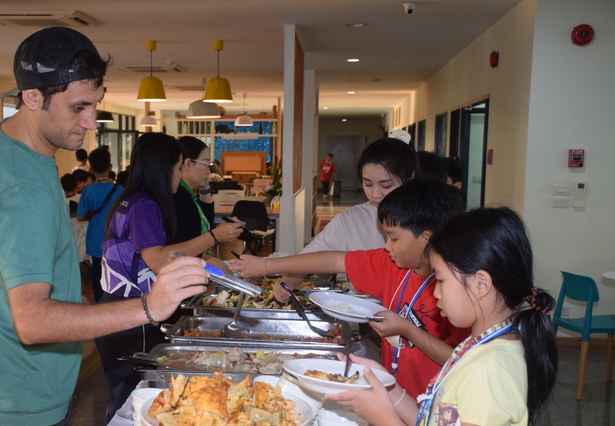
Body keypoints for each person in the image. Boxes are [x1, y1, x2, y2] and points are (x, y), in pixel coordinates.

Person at [0, 27, 209, 426]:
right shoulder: (21, 186)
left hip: (10, 382)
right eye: (77, 108)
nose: (90, 122)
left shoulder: (6, 146)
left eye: (95, 104)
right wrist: (149, 307)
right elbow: (33, 320)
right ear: (32, 97)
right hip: (18, 394)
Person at [327, 207, 558, 426]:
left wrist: (386, 421)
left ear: (481, 283)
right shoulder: (478, 347)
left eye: (440, 279)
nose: (435, 293)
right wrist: (388, 388)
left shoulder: (489, 369)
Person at [230, 180, 469, 397]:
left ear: (426, 238)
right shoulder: (395, 266)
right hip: (398, 396)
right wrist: (266, 266)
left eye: (394, 238)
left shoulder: (458, 290)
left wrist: (408, 330)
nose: (387, 246)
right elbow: (335, 261)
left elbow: (461, 359)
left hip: (437, 403)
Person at [95, 132, 240, 420]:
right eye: (177, 167)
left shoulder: (131, 199)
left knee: (125, 398)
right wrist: (214, 237)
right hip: (133, 312)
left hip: (117, 306)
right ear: (164, 168)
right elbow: (159, 260)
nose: (178, 174)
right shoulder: (144, 205)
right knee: (135, 402)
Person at [273, 135, 417, 299]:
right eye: (368, 184)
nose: (376, 194)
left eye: (386, 185)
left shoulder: (429, 219)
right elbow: (308, 258)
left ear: (410, 178)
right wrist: (288, 281)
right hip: (365, 310)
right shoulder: (351, 219)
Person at [171, 136, 244, 260]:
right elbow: (181, 248)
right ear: (188, 163)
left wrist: (205, 188)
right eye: (205, 163)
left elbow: (206, 223)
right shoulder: (179, 197)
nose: (208, 171)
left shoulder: (188, 194)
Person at [76, 147, 122, 302]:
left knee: (98, 272)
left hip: (95, 238)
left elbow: (80, 216)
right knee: (116, 272)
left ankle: (100, 304)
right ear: (110, 167)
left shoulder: (88, 190)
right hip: (116, 237)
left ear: (91, 170)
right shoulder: (120, 189)